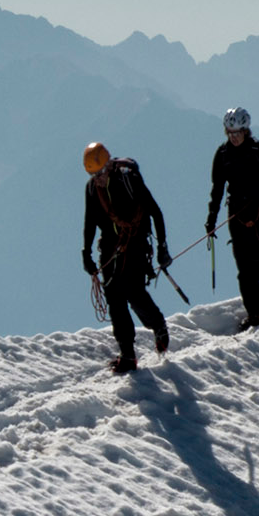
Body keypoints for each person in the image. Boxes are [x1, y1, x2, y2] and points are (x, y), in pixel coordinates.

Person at [81, 143, 178, 372]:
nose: (99, 178)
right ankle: (127, 354)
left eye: (101, 172)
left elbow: (155, 211)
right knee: (114, 297)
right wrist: (86, 253)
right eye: (94, 175)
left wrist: (162, 246)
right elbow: (90, 221)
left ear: (109, 165)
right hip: (110, 248)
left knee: (133, 292)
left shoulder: (128, 180)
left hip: (135, 244)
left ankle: (158, 326)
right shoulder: (92, 189)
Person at [203, 107, 259, 323]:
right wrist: (211, 219)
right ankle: (255, 313)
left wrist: (256, 197)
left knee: (255, 256)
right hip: (236, 213)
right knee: (243, 265)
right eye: (230, 133)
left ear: (246, 131)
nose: (233, 138)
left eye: (237, 133)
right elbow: (217, 188)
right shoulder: (222, 155)